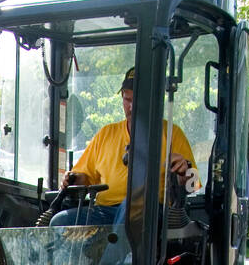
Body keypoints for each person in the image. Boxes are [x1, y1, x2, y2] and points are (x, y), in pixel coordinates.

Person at [50, 66, 195, 226]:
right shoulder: (106, 134)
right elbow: (85, 177)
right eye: (127, 100)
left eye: (138, 101)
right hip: (104, 211)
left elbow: (192, 184)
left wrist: (184, 171)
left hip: (151, 214)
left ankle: (119, 251)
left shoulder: (172, 133)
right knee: (60, 221)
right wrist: (74, 178)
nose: (131, 107)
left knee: (131, 207)